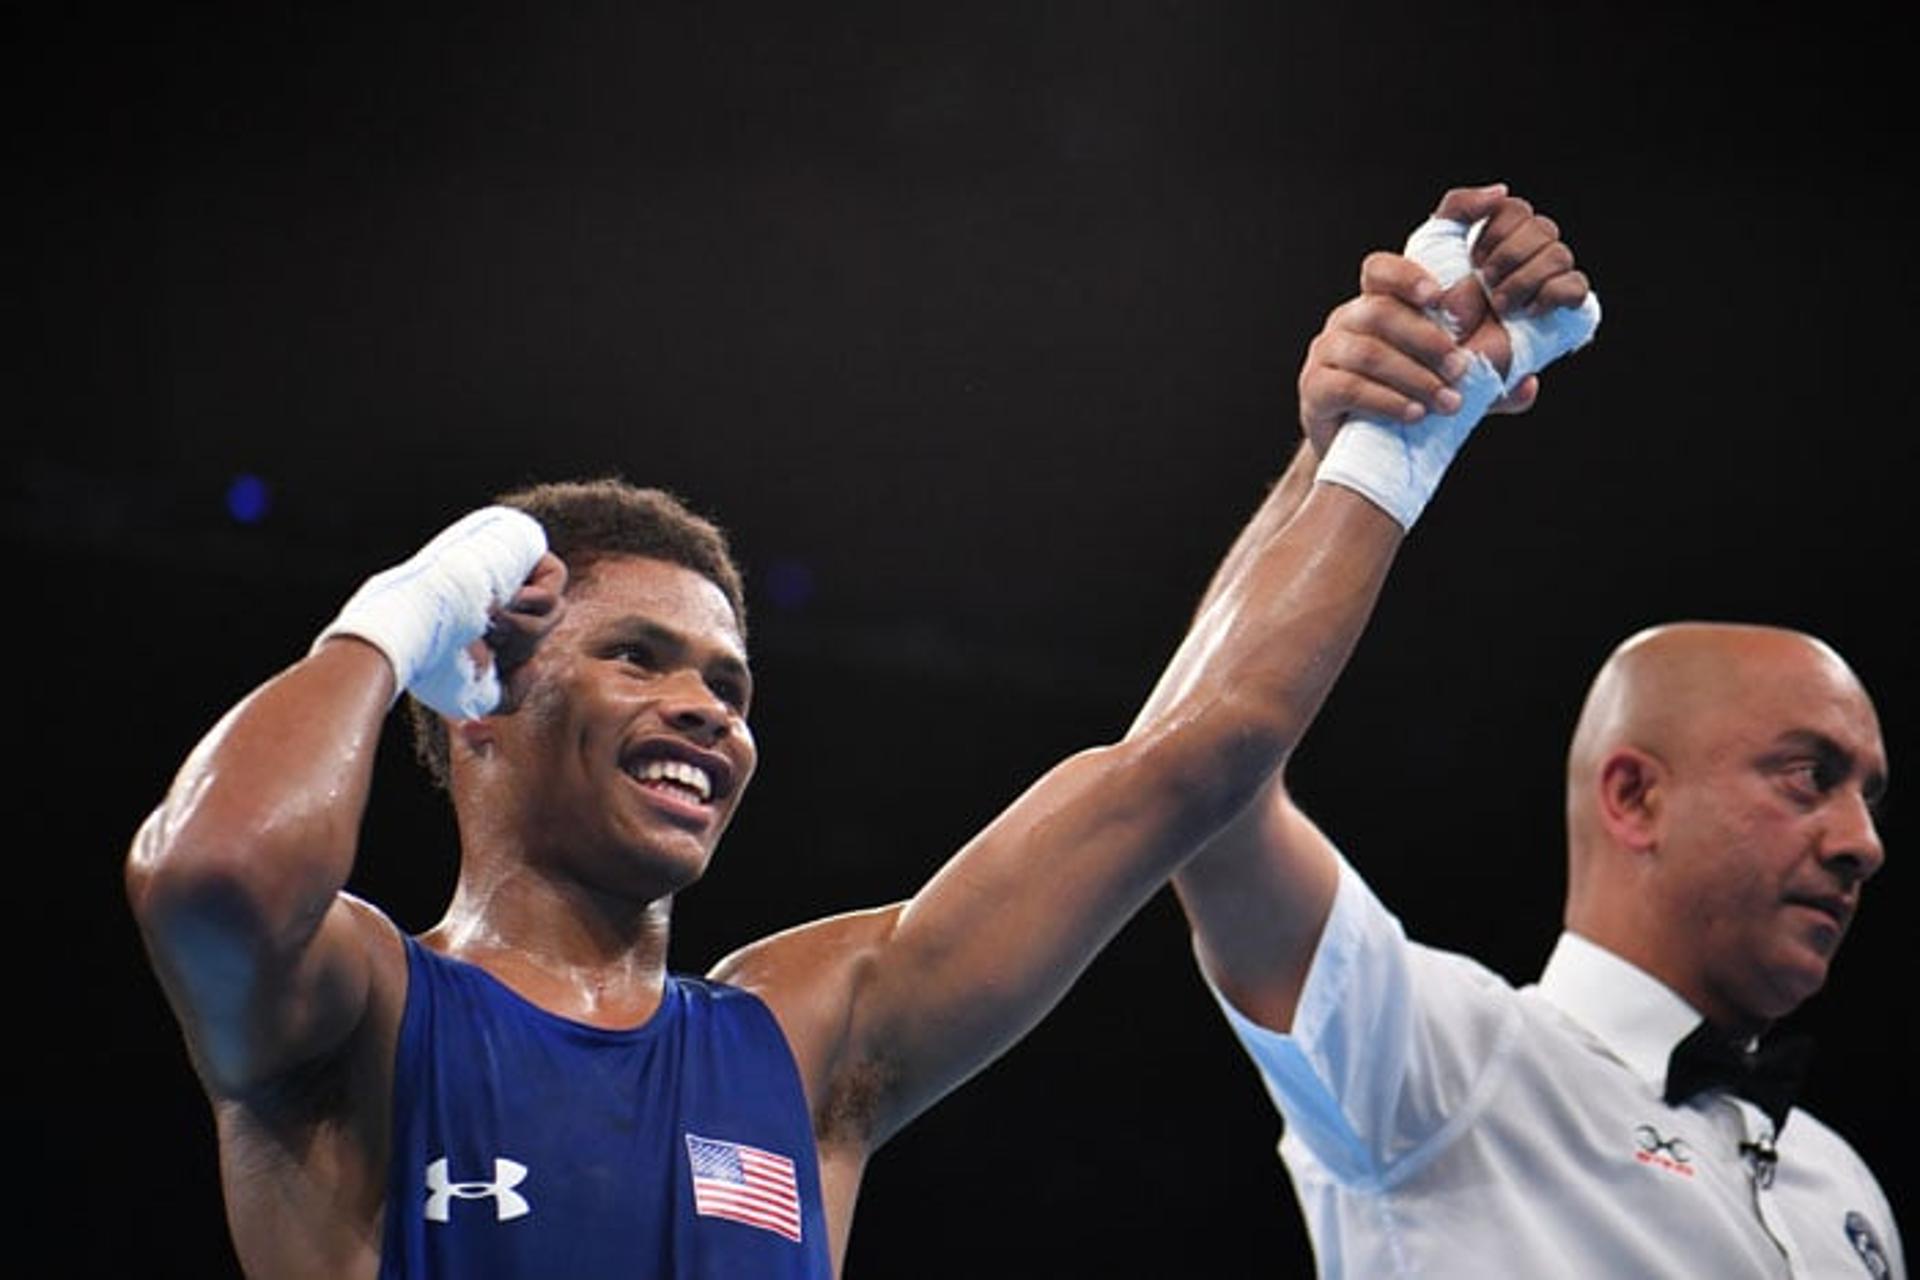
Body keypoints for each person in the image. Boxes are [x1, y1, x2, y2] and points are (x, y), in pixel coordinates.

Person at [123, 181, 1590, 1279]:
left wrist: (1388, 428)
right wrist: (409, 609)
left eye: (732, 684)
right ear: (484, 690)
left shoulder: (806, 1037)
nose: (708, 706)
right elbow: (215, 877)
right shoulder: (365, 1012)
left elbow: (1185, 764)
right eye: (641, 658)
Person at [1161, 219, 1903, 1274]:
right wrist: (1346, 454)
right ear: (1634, 795)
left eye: (1871, 795)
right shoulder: (1445, 1061)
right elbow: (1199, 790)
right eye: (1809, 776)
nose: (1863, 842)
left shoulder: (1845, 1190)